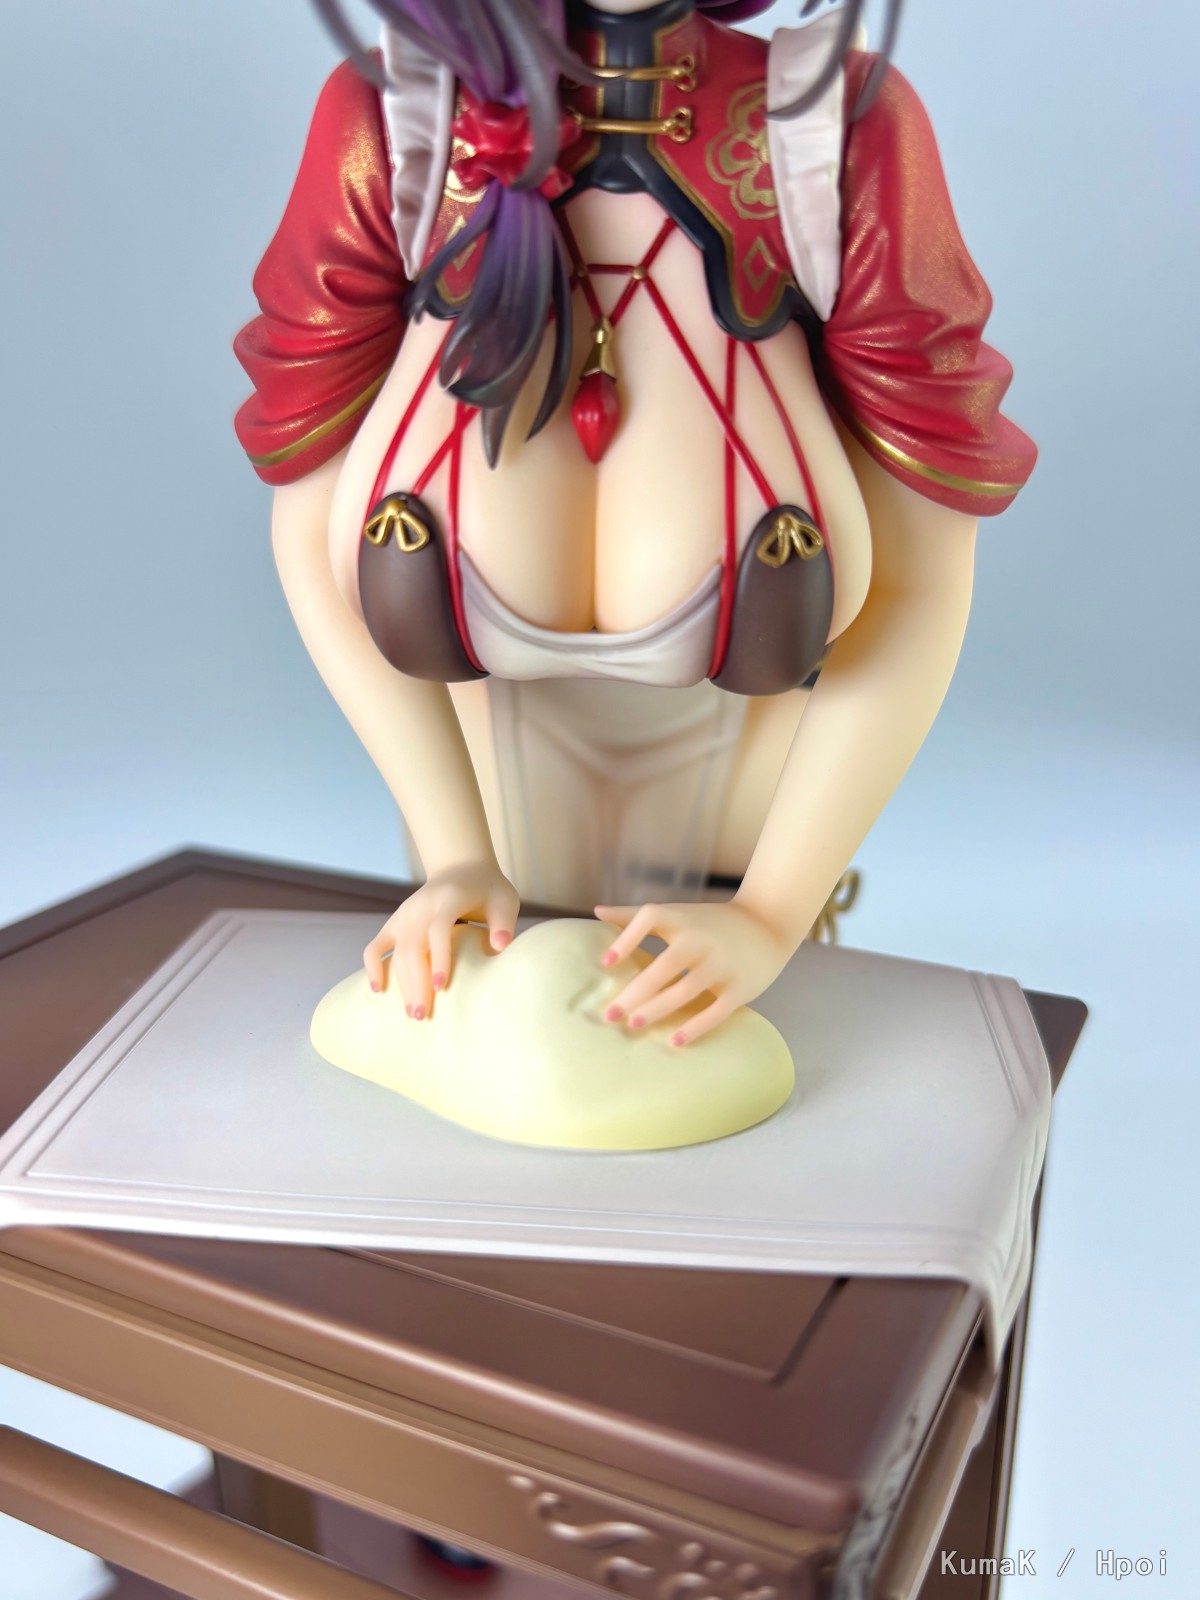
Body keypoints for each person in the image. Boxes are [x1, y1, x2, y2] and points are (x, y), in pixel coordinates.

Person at [235, 0, 1036, 1045]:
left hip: (758, 841)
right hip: (478, 845)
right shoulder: (397, 122)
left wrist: (774, 912)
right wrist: (455, 852)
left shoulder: (832, 126)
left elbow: (921, 575)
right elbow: (308, 523)